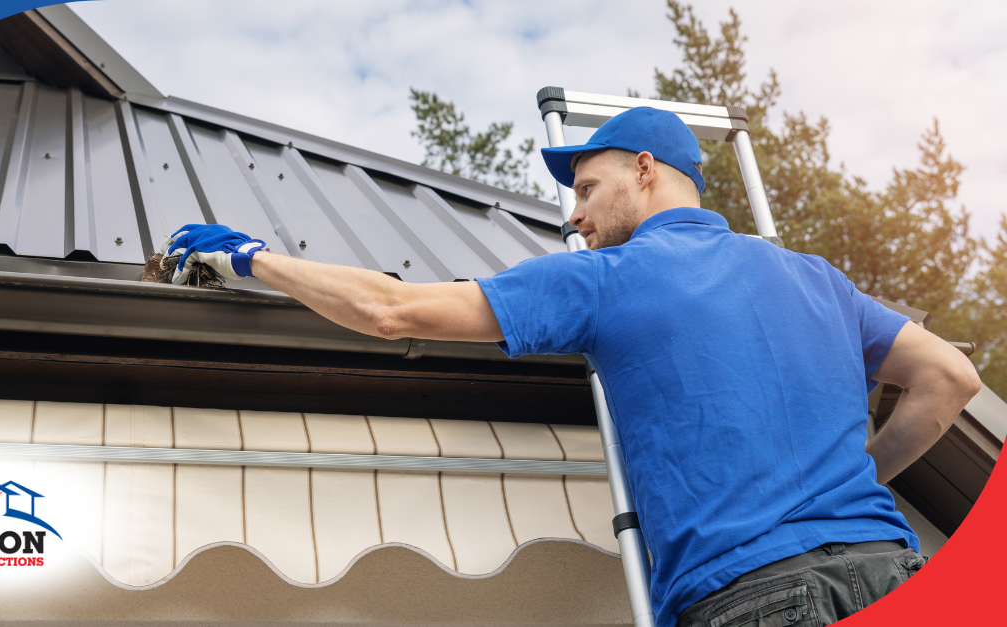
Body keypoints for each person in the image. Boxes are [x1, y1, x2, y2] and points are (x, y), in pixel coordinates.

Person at [161, 107, 981, 627]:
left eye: (588, 188)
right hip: (896, 572)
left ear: (648, 171)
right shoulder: (814, 276)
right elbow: (950, 379)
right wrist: (845, 480)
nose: (577, 217)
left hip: (757, 597)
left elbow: (392, 310)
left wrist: (250, 257)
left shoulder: (609, 279)